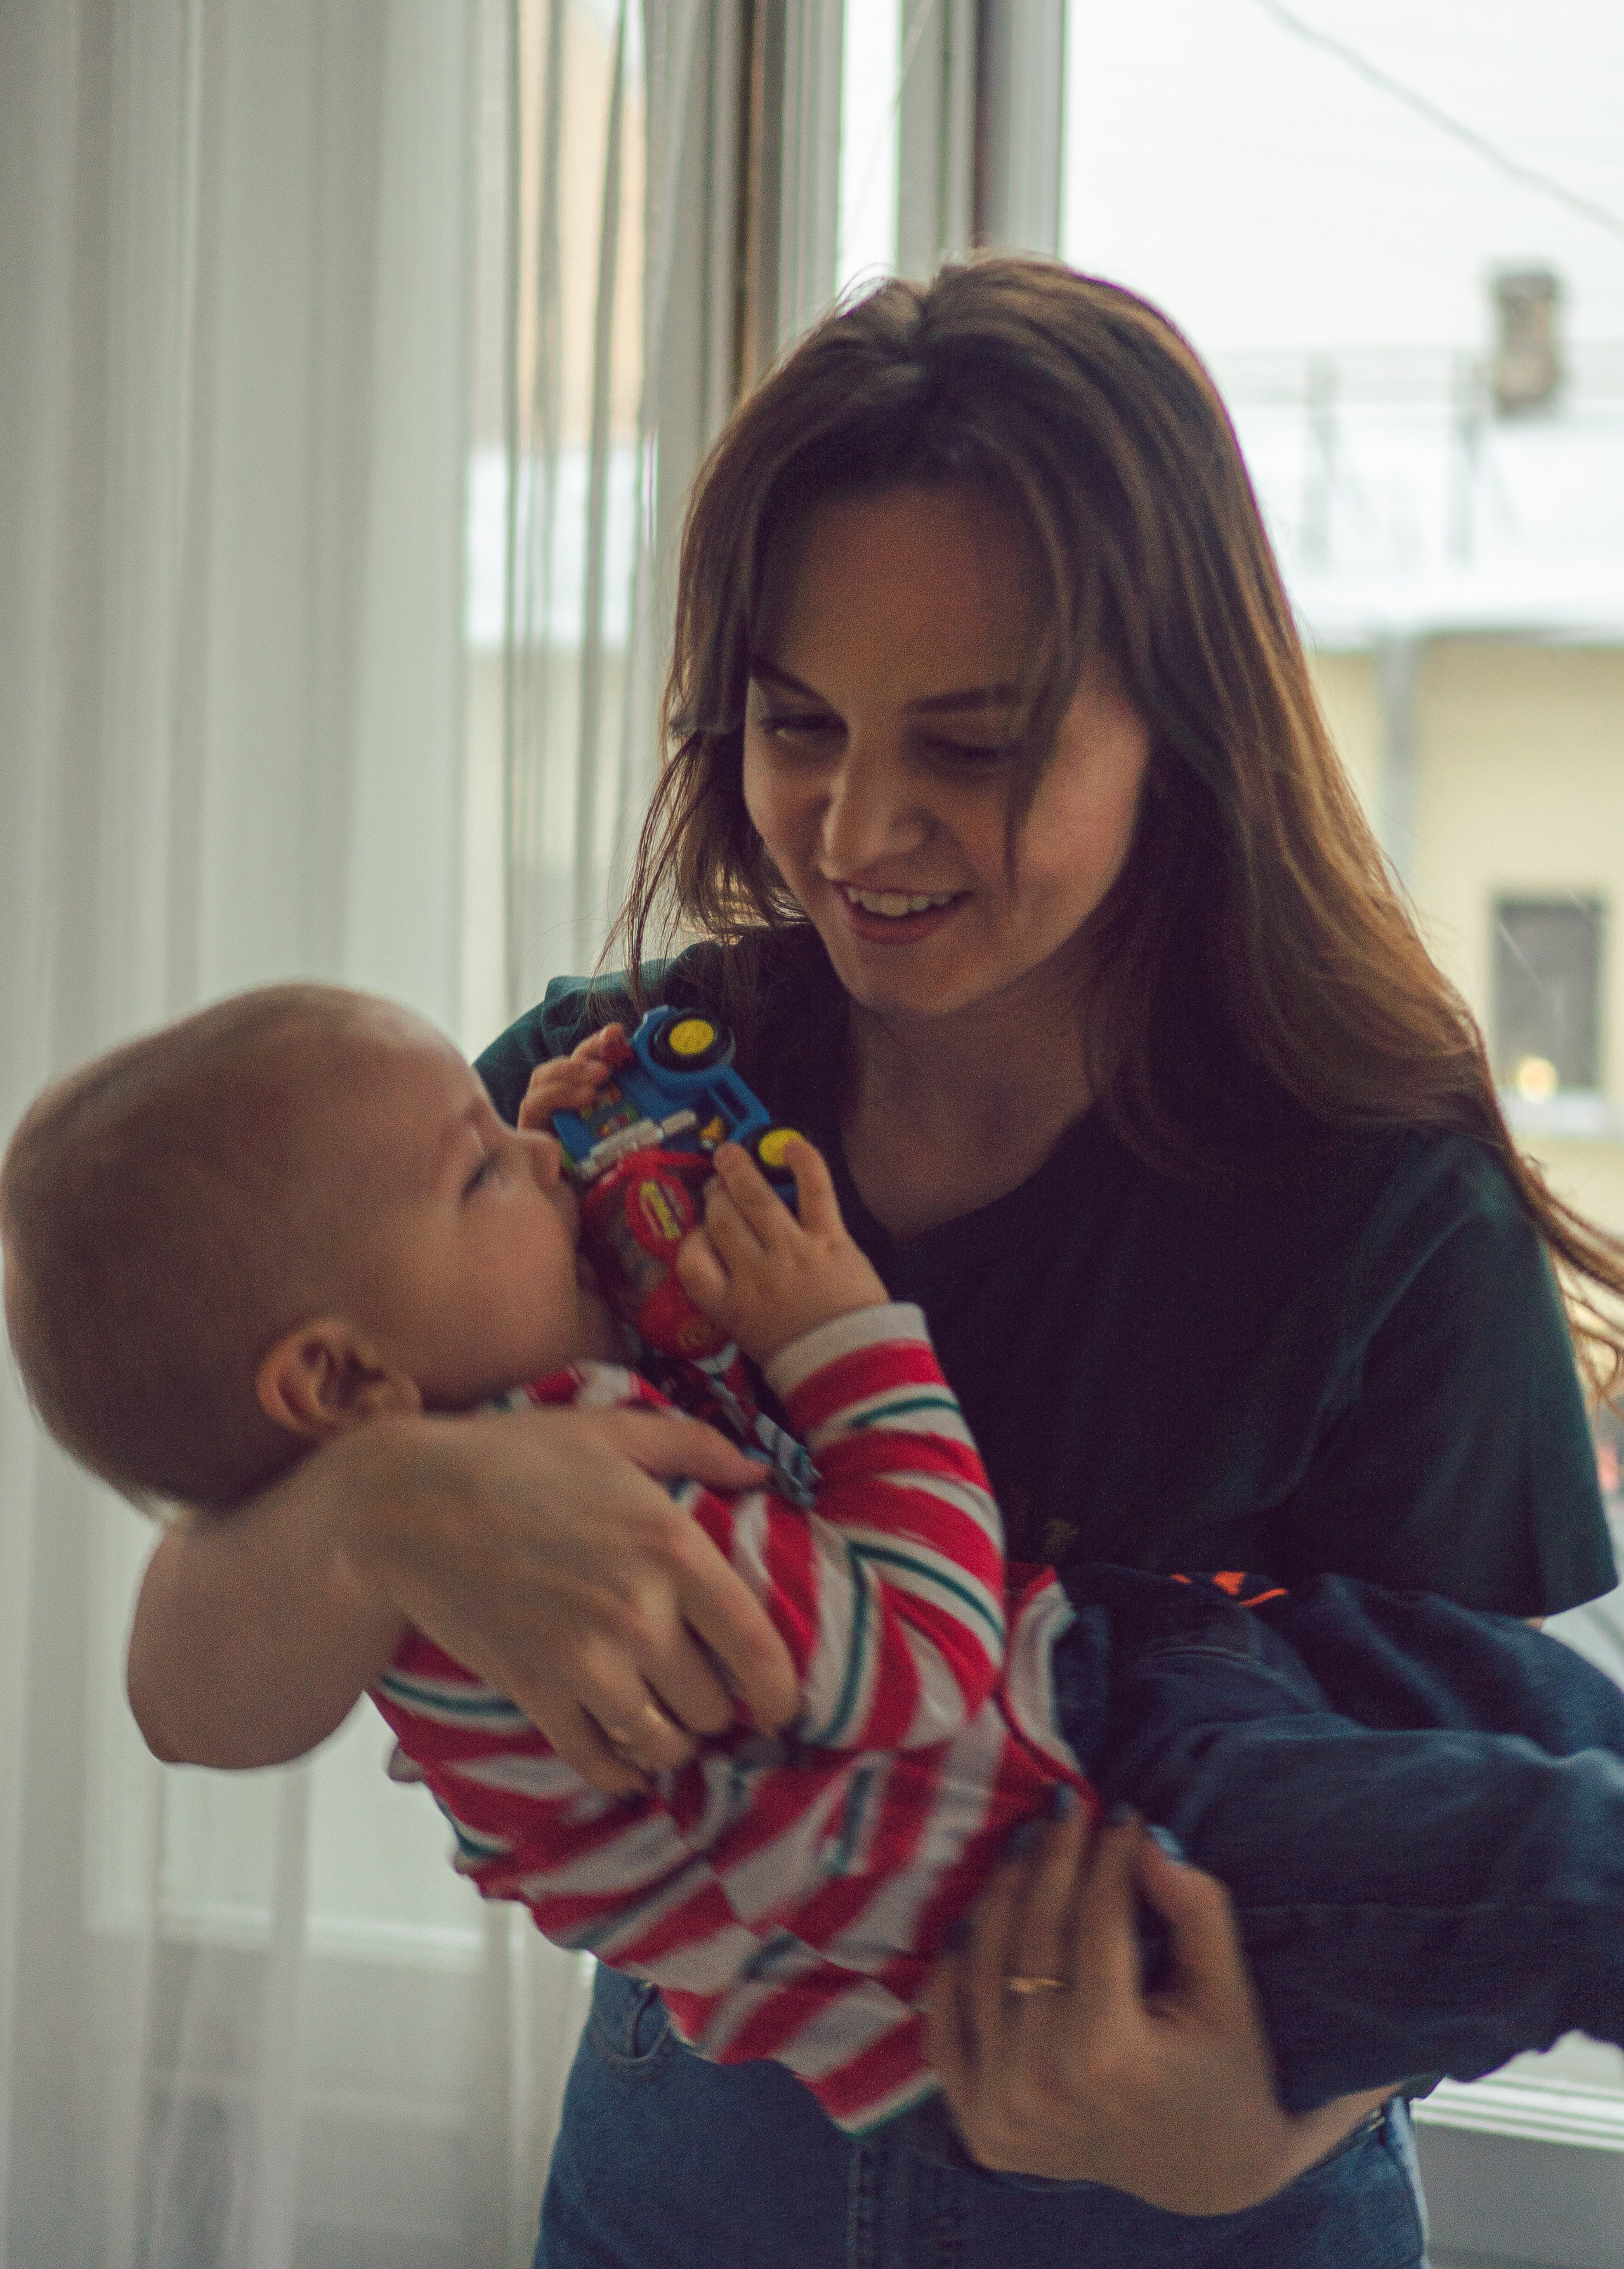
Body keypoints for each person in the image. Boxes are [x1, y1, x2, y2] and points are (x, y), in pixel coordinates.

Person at [122, 259, 1624, 2266]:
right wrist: (374, 1518)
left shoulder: (1373, 1191)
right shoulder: (589, 1120)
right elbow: (185, 1694)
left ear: (1178, 728)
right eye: (797, 723)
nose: (858, 823)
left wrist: (1244, 2136)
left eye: (977, 744)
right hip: (686, 2185)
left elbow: (1452, 1823)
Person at [9, 981, 1624, 2141]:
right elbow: (917, 1656)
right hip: (1105, 1832)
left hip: (1136, 1721)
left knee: (1555, 1766)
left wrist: (1246, 2148)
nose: (550, 1154)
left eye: (971, 739)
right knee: (1566, 1869)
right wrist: (842, 1337)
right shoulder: (580, 1515)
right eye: (490, 1163)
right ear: (348, 1385)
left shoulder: (1375, 1158)